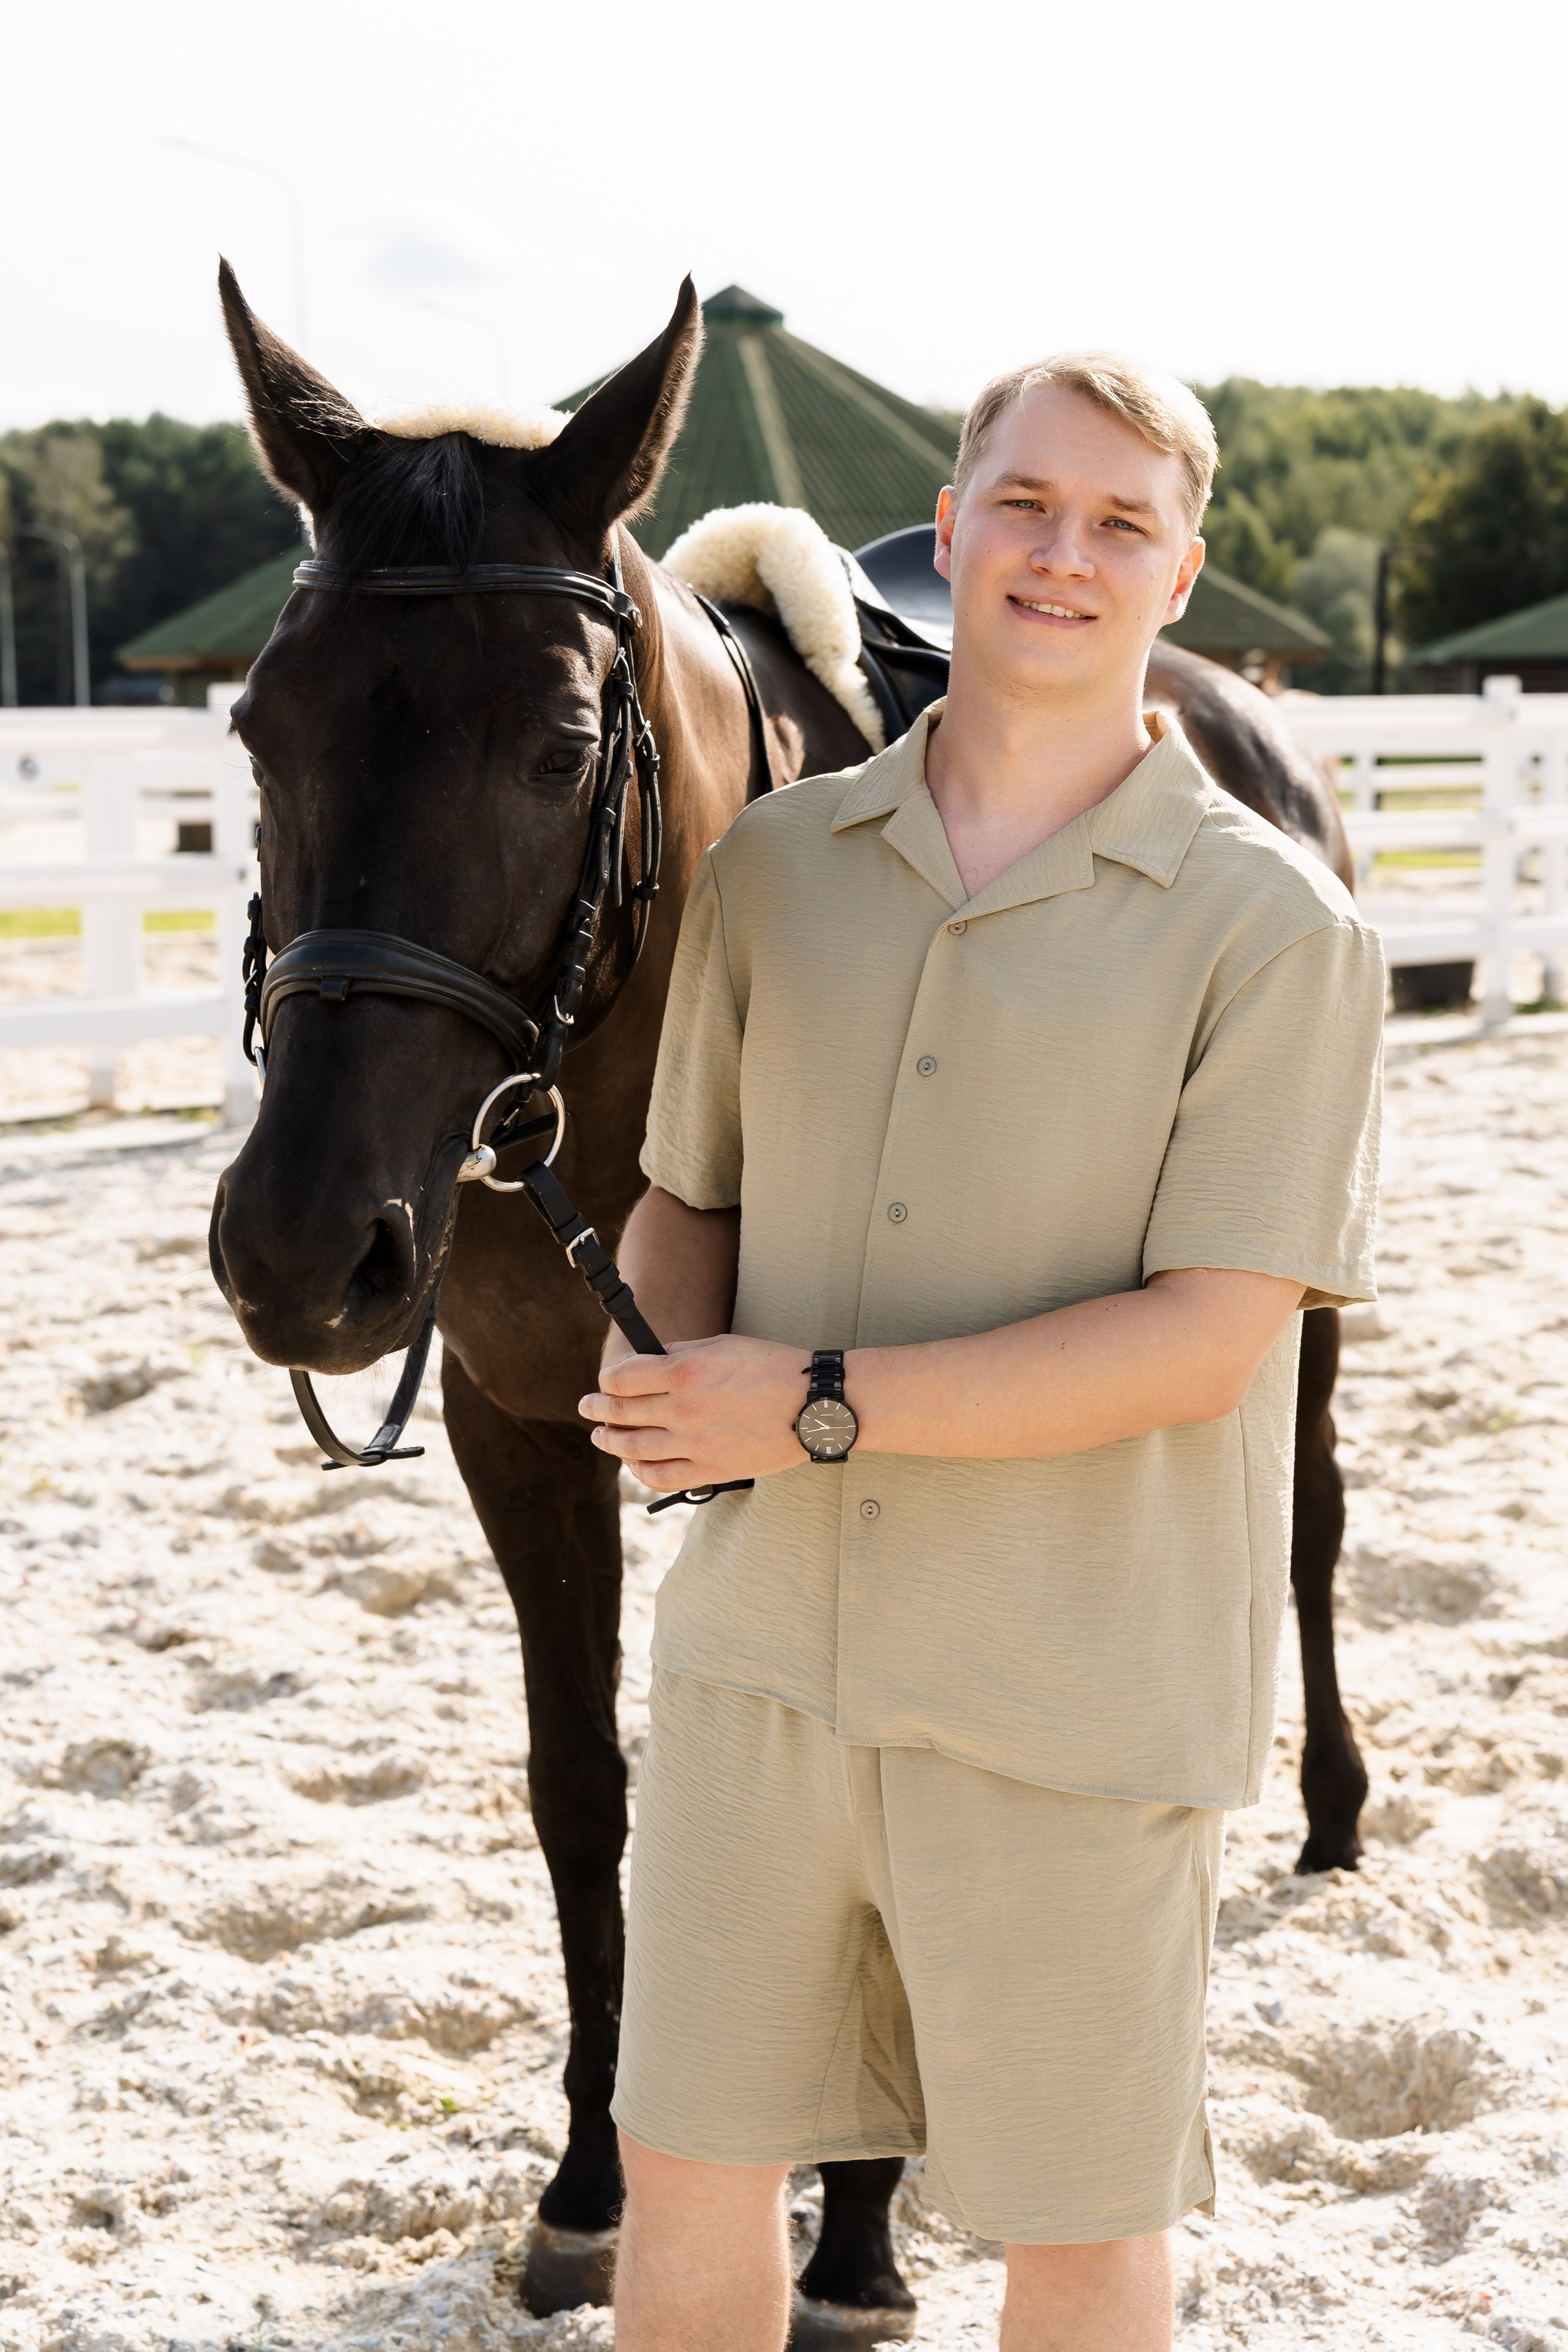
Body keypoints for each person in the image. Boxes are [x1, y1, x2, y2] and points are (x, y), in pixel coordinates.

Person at [578, 353, 1384, 2352]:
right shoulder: (776, 868)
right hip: (762, 1672)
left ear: (1180, 575)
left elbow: (1206, 1344)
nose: (1061, 553)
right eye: (1024, 502)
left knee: (1078, 2229)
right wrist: (658, 1350)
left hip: (1074, 1701)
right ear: (946, 534)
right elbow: (692, 1194)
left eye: (1120, 522)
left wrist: (807, 1401)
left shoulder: (1278, 932)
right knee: (683, 2166)